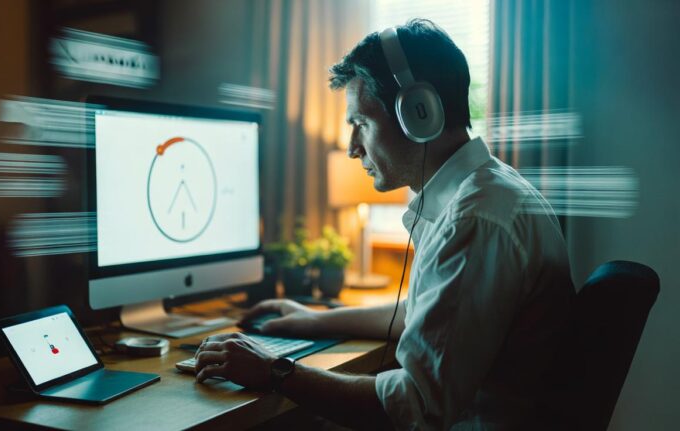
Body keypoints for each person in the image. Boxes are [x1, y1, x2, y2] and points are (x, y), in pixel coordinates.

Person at [193, 19, 574, 430]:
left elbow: (415, 407)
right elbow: (424, 314)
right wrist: (310, 319)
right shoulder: (487, 190)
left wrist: (274, 370)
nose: (353, 148)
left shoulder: (474, 219)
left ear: (418, 113)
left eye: (362, 124)